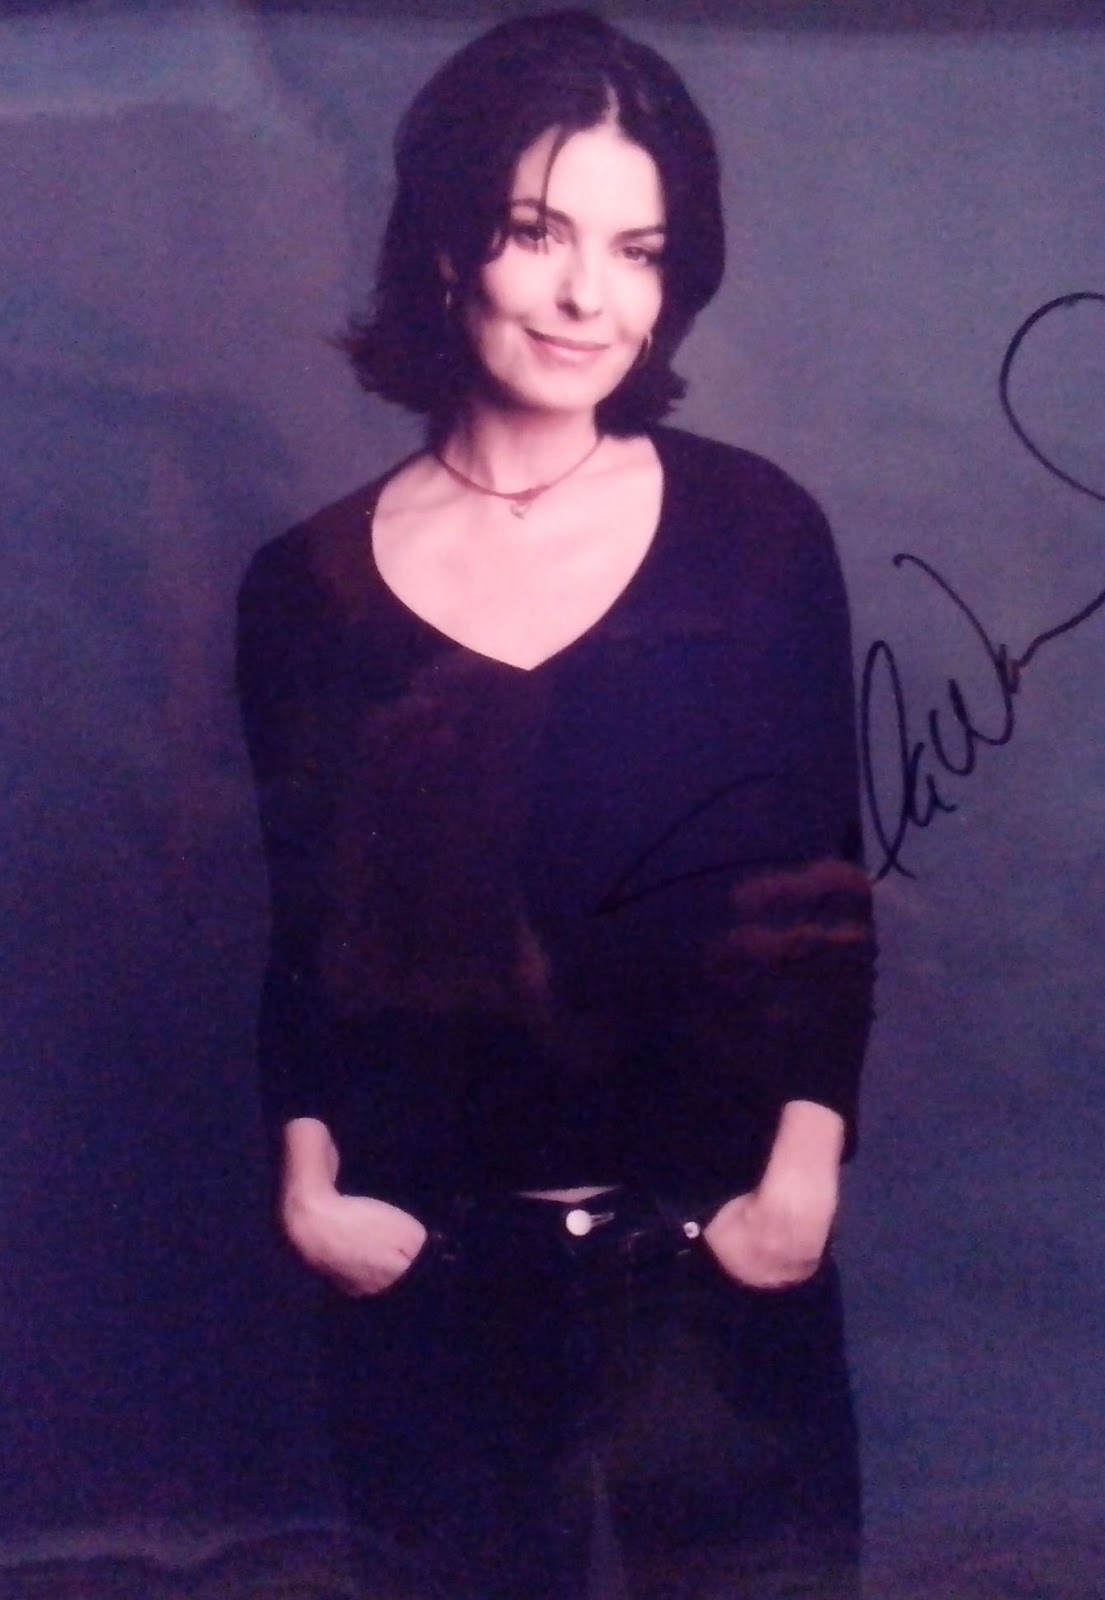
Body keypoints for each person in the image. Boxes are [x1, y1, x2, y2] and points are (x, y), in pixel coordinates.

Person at [236, 11, 875, 1598]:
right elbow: (306, 930)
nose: (592, 295)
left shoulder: (755, 532)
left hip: (715, 1254)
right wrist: (309, 1187)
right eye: (539, 232)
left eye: (636, 250)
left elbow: (827, 881)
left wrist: (798, 1181)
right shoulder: (303, 587)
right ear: (447, 246)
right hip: (429, 1265)